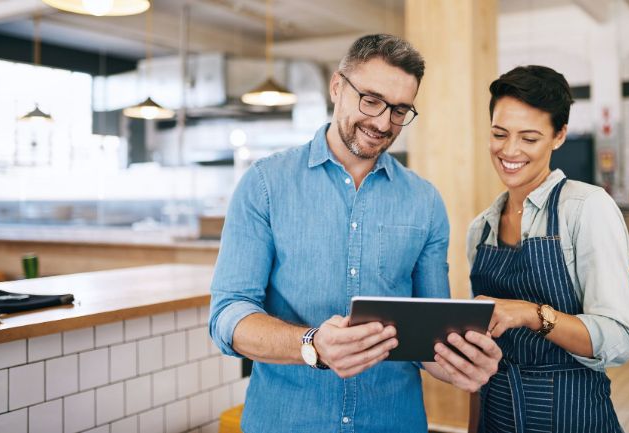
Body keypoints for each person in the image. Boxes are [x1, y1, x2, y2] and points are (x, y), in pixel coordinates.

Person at [209, 34, 502, 433]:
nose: (383, 123)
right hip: (286, 421)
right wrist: (310, 344)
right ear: (336, 87)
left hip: (393, 421)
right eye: (371, 100)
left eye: (400, 110)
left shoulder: (425, 201)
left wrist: (459, 366)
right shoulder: (264, 184)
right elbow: (229, 316)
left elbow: (427, 336)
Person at [466, 65, 629, 432]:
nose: (509, 150)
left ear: (559, 136)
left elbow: (620, 339)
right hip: (494, 414)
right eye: (499, 134)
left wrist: (530, 313)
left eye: (529, 138)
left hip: (572, 415)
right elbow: (477, 351)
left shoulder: (586, 208)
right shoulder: (480, 229)